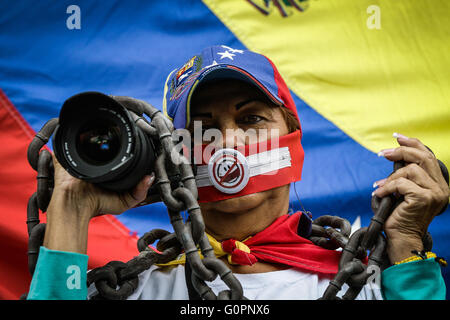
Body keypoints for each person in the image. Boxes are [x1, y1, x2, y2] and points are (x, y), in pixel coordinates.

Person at [26, 45, 449, 300]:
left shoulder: (371, 283)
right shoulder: (131, 291)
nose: (227, 142)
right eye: (202, 127)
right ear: (174, 152)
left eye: (250, 120)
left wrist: (407, 245)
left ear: (293, 137)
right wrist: (70, 208)